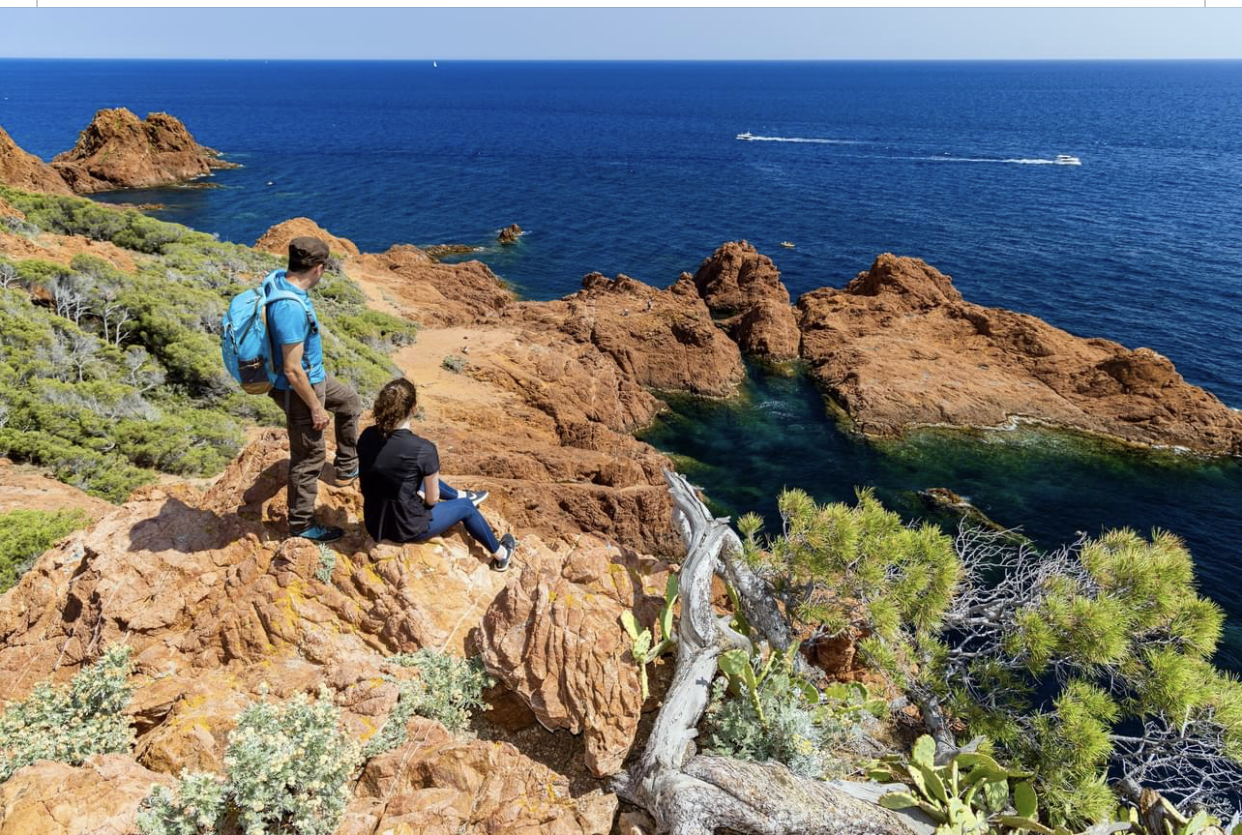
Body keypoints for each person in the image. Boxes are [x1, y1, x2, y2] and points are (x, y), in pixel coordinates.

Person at [358, 378, 516, 571]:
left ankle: (460, 495)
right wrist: (422, 500)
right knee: (466, 508)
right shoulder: (423, 449)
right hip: (403, 527)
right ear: (414, 408)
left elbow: (380, 474)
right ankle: (501, 555)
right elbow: (432, 501)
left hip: (374, 521)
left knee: (415, 475)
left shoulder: (367, 435)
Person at [267, 236, 361, 544]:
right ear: (319, 268)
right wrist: (315, 407)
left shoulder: (279, 280)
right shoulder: (289, 308)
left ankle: (347, 468)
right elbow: (293, 370)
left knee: (348, 400)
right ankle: (301, 524)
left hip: (316, 378)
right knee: (310, 457)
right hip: (301, 389)